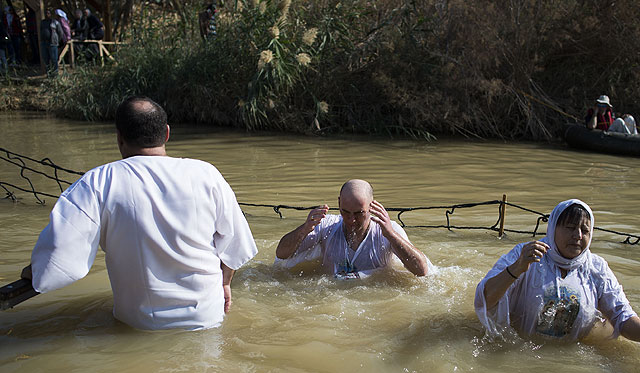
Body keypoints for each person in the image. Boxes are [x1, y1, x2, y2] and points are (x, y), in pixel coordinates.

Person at [21, 96, 258, 330]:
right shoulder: (206, 174)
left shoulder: (97, 182)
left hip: (139, 325)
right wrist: (225, 283)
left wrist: (35, 271)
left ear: (119, 138)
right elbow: (235, 242)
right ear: (166, 133)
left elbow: (60, 255)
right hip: (207, 317)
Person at [475, 199, 640, 343]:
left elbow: (622, 317)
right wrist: (517, 268)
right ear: (553, 228)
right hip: (520, 351)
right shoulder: (525, 254)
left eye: (585, 230)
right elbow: (485, 299)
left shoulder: (596, 268)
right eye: (570, 227)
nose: (578, 235)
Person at [275, 179, 431, 278]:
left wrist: (390, 235)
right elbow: (281, 254)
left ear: (372, 206)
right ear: (339, 203)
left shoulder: (387, 230)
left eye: (359, 213)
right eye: (345, 212)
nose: (351, 219)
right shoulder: (326, 226)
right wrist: (305, 228)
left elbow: (422, 271)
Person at [39, 9, 63, 73]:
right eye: (46, 13)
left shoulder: (55, 22)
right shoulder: (42, 22)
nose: (47, 15)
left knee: (54, 59)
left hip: (52, 43)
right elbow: (41, 31)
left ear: (50, 14)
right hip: (44, 42)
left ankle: (55, 73)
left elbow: (60, 33)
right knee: (46, 59)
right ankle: (48, 73)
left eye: (48, 13)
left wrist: (57, 41)